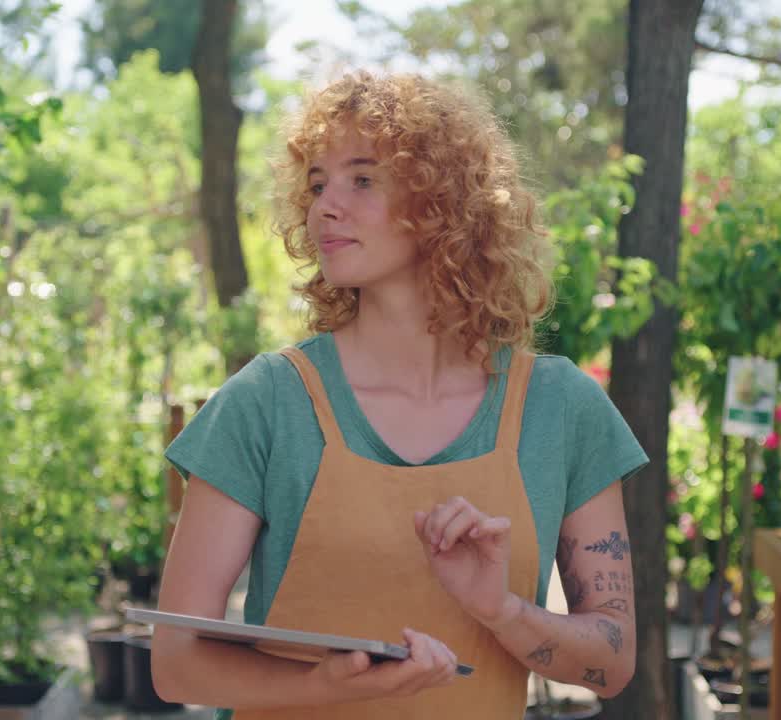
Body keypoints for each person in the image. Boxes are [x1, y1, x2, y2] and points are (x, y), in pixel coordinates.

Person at [151, 71, 648, 719]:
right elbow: (175, 664)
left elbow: (610, 666)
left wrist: (501, 610)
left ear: (444, 201)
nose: (326, 205)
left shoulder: (563, 409)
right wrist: (320, 689)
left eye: (362, 178)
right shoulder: (267, 402)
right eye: (317, 183)